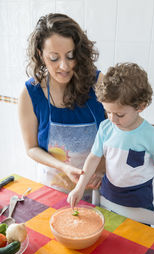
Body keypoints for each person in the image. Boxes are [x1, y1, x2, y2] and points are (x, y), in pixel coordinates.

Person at [67, 62, 154, 215]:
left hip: (138, 199)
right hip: (109, 192)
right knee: (109, 232)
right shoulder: (105, 128)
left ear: (140, 106)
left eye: (120, 114)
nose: (113, 119)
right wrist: (79, 188)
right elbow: (93, 158)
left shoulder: (151, 136)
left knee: (136, 237)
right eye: (108, 112)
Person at [18, 13, 105, 194]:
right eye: (54, 58)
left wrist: (102, 169)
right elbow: (32, 148)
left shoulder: (97, 84)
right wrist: (63, 167)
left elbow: (122, 132)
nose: (64, 66)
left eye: (70, 55)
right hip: (52, 189)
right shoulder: (30, 93)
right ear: (41, 55)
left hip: (99, 189)